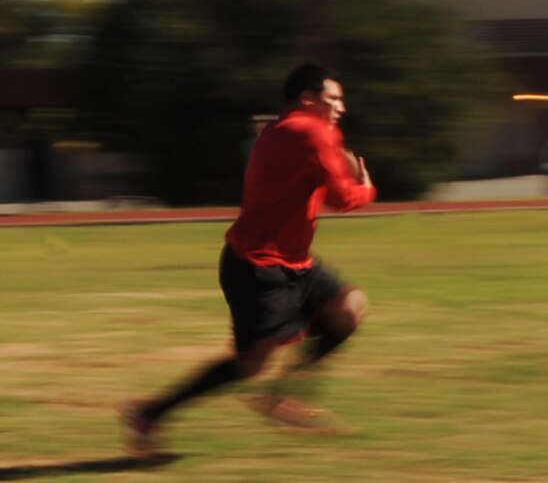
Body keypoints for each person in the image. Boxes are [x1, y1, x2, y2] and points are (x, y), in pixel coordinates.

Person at [120, 63, 376, 456]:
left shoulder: (281, 130)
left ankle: (281, 396)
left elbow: (311, 186)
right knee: (250, 364)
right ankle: (148, 413)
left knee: (349, 306)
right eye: (333, 99)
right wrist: (366, 187)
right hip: (258, 266)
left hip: (292, 261)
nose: (341, 107)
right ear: (308, 100)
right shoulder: (311, 131)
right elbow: (342, 199)